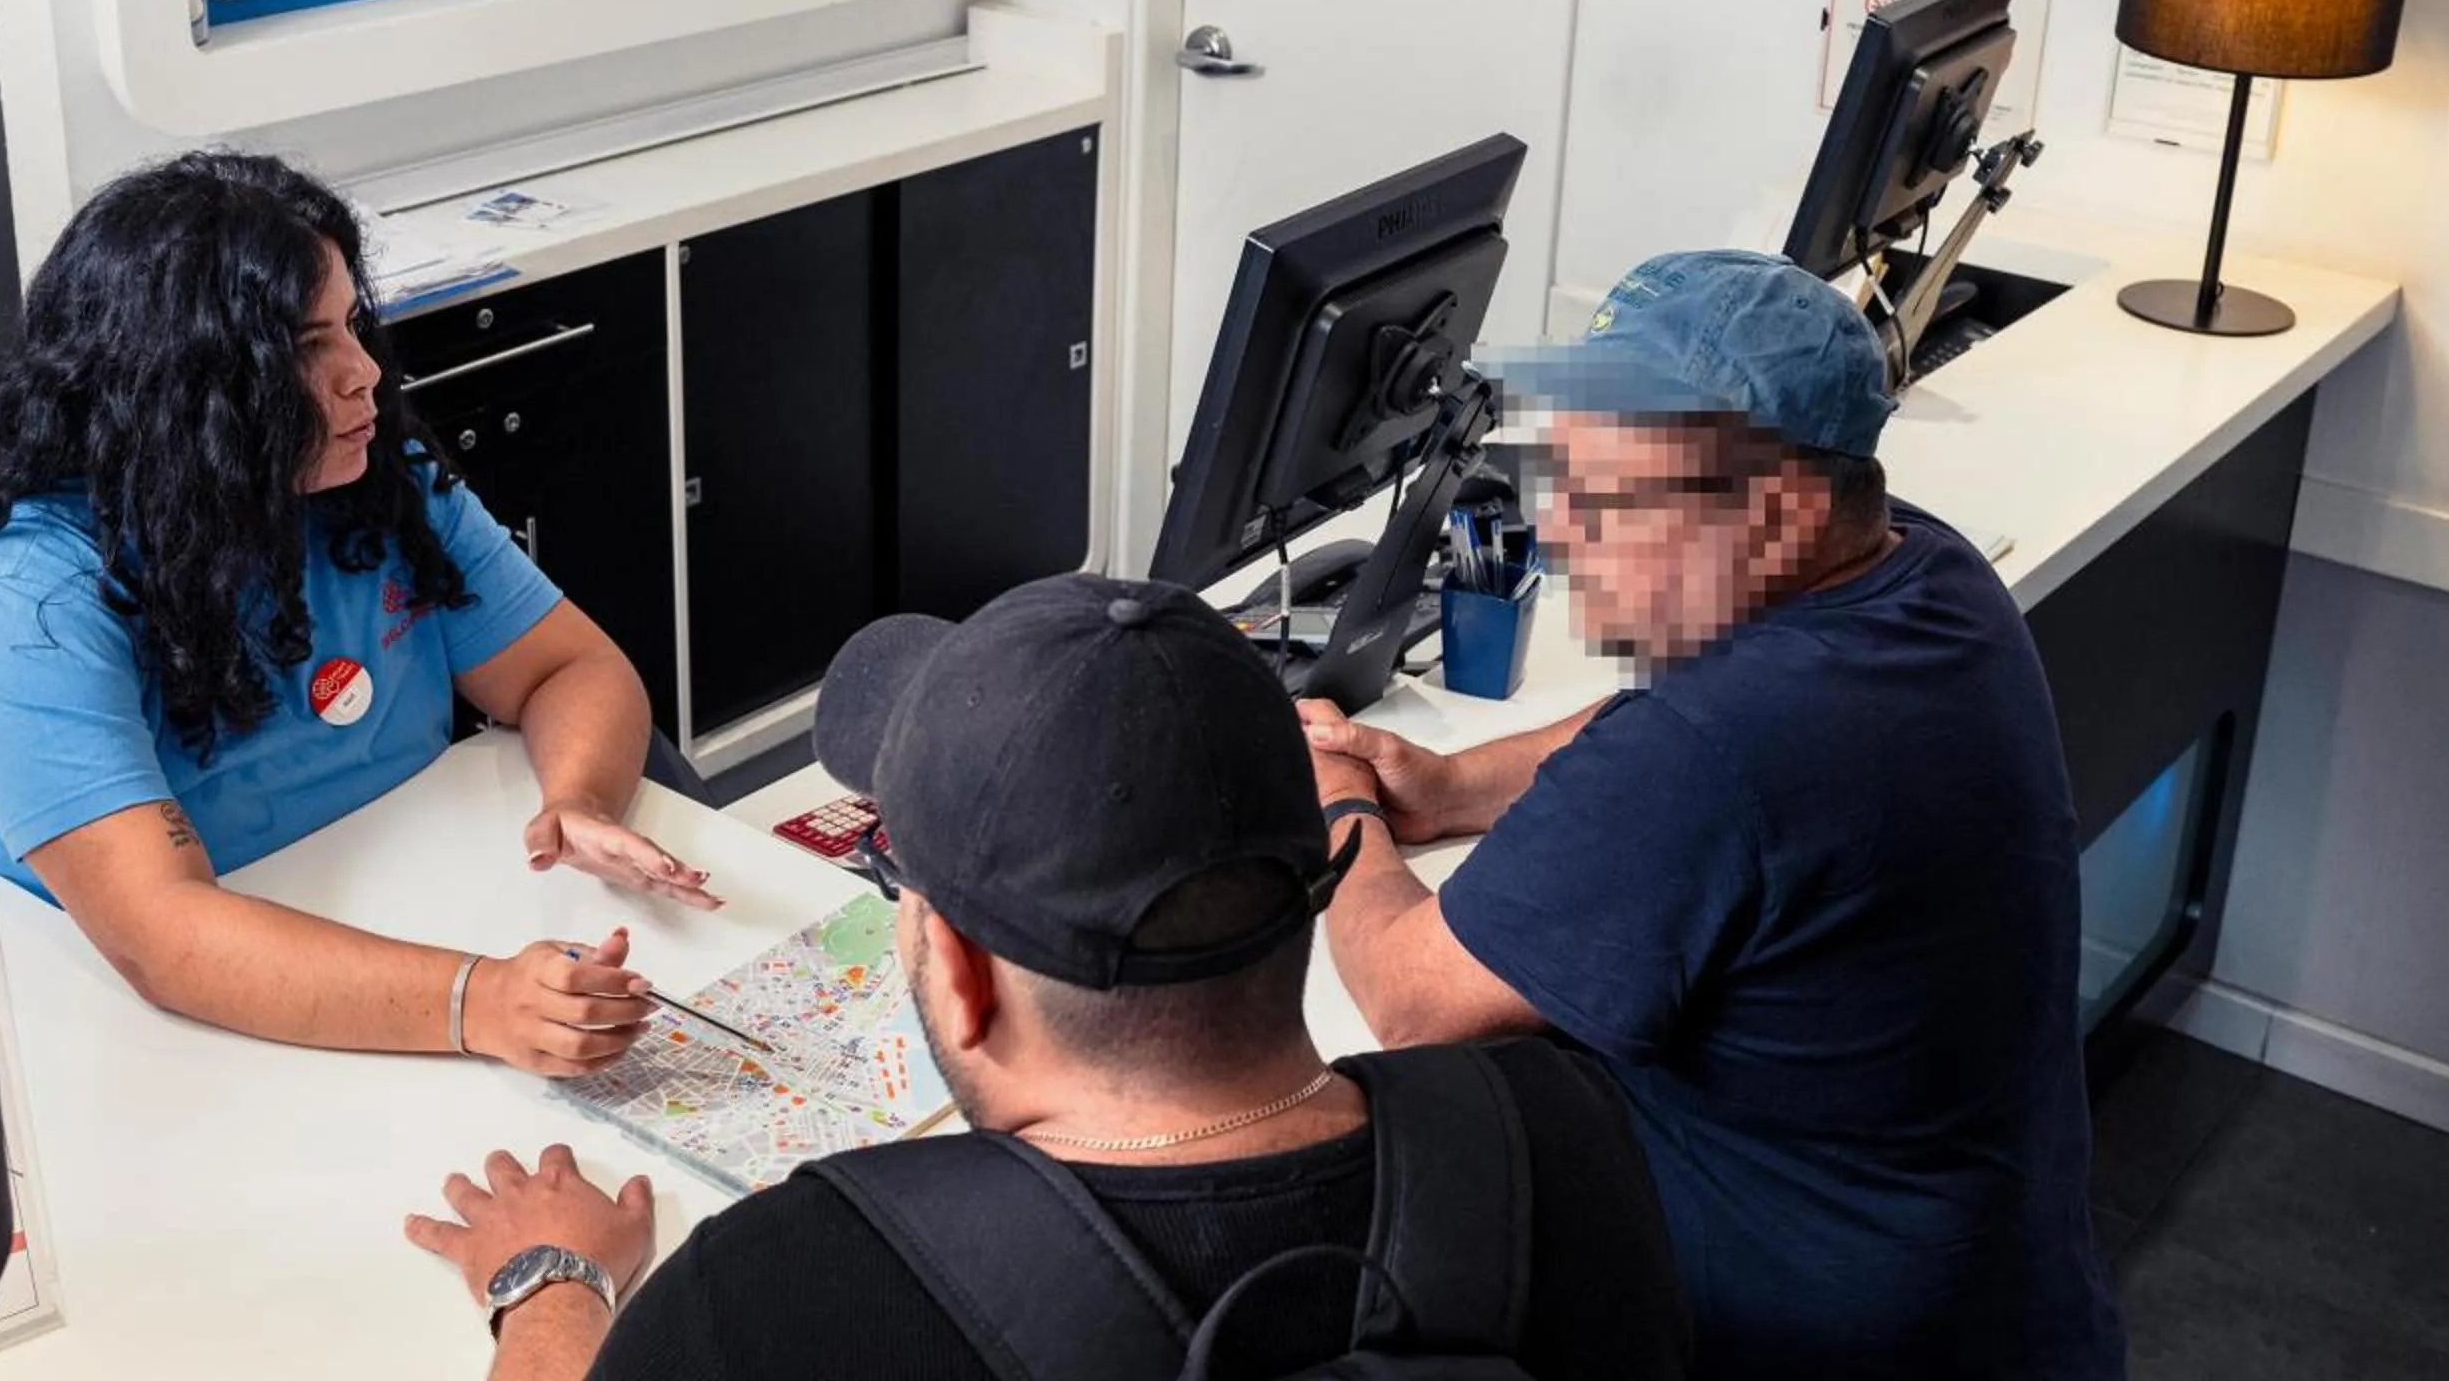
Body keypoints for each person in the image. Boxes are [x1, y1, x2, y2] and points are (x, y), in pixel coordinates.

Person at [407, 573, 1691, 1380]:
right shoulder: (1556, 1140)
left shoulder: (784, 1289)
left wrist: (549, 1292)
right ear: (1318, 878)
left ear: (955, 970)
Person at [1300, 249, 2126, 1380]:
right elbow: (1658, 716)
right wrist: (1452, 785)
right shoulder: (1919, 566)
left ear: (1781, 508)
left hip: (1810, 1341)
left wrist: (1337, 798)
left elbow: (1413, 995)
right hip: (2000, 1289)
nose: (1562, 525)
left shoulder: (1730, 741)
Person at [0, 151, 719, 1078]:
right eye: (308, 348)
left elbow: (570, 669)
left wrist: (576, 799)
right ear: (184, 386)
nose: (366, 376)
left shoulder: (377, 482)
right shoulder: (18, 605)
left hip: (420, 922)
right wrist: (481, 1003)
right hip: (176, 1035)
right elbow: (166, 937)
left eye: (350, 326)